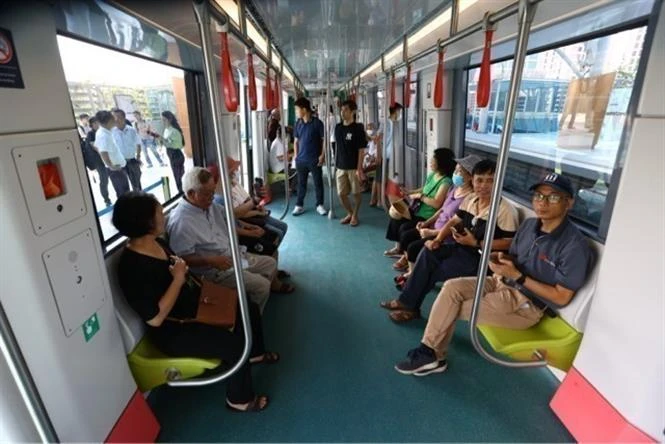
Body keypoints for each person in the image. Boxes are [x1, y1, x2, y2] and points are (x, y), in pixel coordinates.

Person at [394, 172, 594, 376]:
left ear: (568, 203)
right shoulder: (529, 226)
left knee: (453, 306)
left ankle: (432, 354)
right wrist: (499, 258)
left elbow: (561, 297)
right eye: (539, 196)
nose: (542, 202)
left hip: (526, 305)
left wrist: (518, 276)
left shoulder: (574, 246)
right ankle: (431, 353)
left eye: (552, 197)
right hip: (500, 281)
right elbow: (514, 257)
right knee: (451, 288)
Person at [113, 191, 274, 412]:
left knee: (249, 307)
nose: (164, 217)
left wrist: (182, 271)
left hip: (195, 306)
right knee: (235, 345)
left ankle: (254, 354)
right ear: (145, 223)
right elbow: (155, 319)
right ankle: (239, 399)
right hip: (175, 329)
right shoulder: (132, 267)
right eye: (159, 213)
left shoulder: (157, 242)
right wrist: (178, 278)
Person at [381, 159, 519, 323]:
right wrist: (438, 240)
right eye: (479, 180)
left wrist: (476, 243)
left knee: (435, 270)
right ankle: (407, 303)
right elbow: (453, 221)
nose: (484, 185)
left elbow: (509, 243)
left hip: (482, 259)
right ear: (473, 180)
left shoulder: (505, 210)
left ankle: (410, 307)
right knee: (428, 251)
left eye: (490, 181)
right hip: (461, 248)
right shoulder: (471, 200)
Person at [167, 167, 294, 314]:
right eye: (207, 194)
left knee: (270, 264)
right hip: (212, 271)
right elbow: (181, 258)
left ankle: (248, 302)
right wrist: (210, 260)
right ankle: (249, 323)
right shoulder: (181, 222)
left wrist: (251, 217)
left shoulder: (208, 205)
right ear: (191, 194)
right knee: (262, 287)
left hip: (232, 256)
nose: (212, 197)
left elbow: (230, 216)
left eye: (213, 192)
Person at [392, 154, 480, 278]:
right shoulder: (454, 189)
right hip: (434, 227)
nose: (455, 174)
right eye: (455, 170)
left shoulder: (470, 198)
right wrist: (427, 223)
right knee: (407, 235)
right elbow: (441, 209)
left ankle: (413, 274)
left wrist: (433, 234)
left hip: (445, 237)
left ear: (470, 176)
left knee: (413, 247)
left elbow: (457, 227)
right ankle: (412, 268)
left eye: (459, 171)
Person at [383, 148, 455, 258]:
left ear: (441, 162)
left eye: (433, 159)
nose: (430, 161)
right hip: (417, 209)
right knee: (395, 218)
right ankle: (398, 248)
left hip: (426, 215)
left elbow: (436, 203)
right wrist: (410, 192)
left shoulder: (446, 182)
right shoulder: (432, 175)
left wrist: (420, 197)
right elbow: (424, 189)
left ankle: (405, 255)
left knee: (404, 228)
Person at [219, 157, 289, 242]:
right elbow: (238, 214)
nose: (236, 170)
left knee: (283, 227)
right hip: (246, 218)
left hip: (253, 212)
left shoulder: (235, 182)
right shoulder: (223, 191)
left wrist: (258, 205)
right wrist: (257, 210)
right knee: (278, 233)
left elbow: (247, 198)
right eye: (233, 169)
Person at [334, 99, 367, 226]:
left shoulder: (358, 128)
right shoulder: (338, 128)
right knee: (341, 194)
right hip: (341, 166)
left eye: (346, 110)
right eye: (341, 110)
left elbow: (361, 150)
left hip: (354, 167)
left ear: (353, 111)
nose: (343, 112)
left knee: (356, 193)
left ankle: (355, 215)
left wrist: (359, 169)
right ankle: (350, 212)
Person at [292, 97, 327, 216]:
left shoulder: (317, 123)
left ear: (304, 109)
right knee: (301, 183)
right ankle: (299, 205)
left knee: (318, 182)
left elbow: (324, 141)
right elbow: (296, 141)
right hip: (301, 160)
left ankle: (319, 204)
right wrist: (296, 156)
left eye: (297, 110)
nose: (296, 112)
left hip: (314, 158)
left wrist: (322, 155)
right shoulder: (298, 123)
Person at [94, 110, 130, 198]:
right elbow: (103, 152)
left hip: (116, 167)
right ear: (109, 121)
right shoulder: (103, 135)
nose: (115, 120)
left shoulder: (105, 131)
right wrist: (111, 166)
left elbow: (96, 147)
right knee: (123, 192)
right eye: (113, 118)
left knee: (123, 191)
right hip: (115, 169)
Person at [112, 108, 142, 191]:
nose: (115, 119)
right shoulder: (111, 132)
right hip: (119, 163)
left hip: (131, 161)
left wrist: (138, 157)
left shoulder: (131, 130)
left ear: (123, 118)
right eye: (114, 117)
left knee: (137, 185)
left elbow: (138, 143)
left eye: (117, 117)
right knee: (123, 188)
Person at [85, 116, 112, 207]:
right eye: (95, 123)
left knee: (114, 176)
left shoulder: (103, 132)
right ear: (92, 125)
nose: (97, 124)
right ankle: (106, 199)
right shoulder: (91, 134)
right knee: (104, 179)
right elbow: (94, 146)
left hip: (108, 157)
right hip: (98, 160)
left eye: (98, 122)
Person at [160, 111, 186, 194]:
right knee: (176, 175)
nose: (163, 122)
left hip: (176, 154)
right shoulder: (167, 130)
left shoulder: (174, 131)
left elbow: (177, 145)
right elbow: (167, 142)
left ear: (169, 119)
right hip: (171, 154)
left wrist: (162, 140)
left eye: (164, 120)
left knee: (179, 176)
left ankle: (182, 192)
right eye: (162, 120)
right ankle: (181, 191)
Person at [383, 103, 403, 180]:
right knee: (382, 178)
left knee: (385, 176)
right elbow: (380, 139)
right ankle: (380, 192)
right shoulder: (388, 123)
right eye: (399, 111)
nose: (400, 113)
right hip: (385, 155)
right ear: (396, 111)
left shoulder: (393, 123)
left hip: (389, 154)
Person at [368, 124, 383, 207]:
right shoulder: (377, 143)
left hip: (375, 162)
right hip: (377, 163)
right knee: (378, 181)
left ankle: (373, 199)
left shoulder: (374, 142)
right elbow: (378, 157)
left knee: (376, 180)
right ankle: (379, 200)